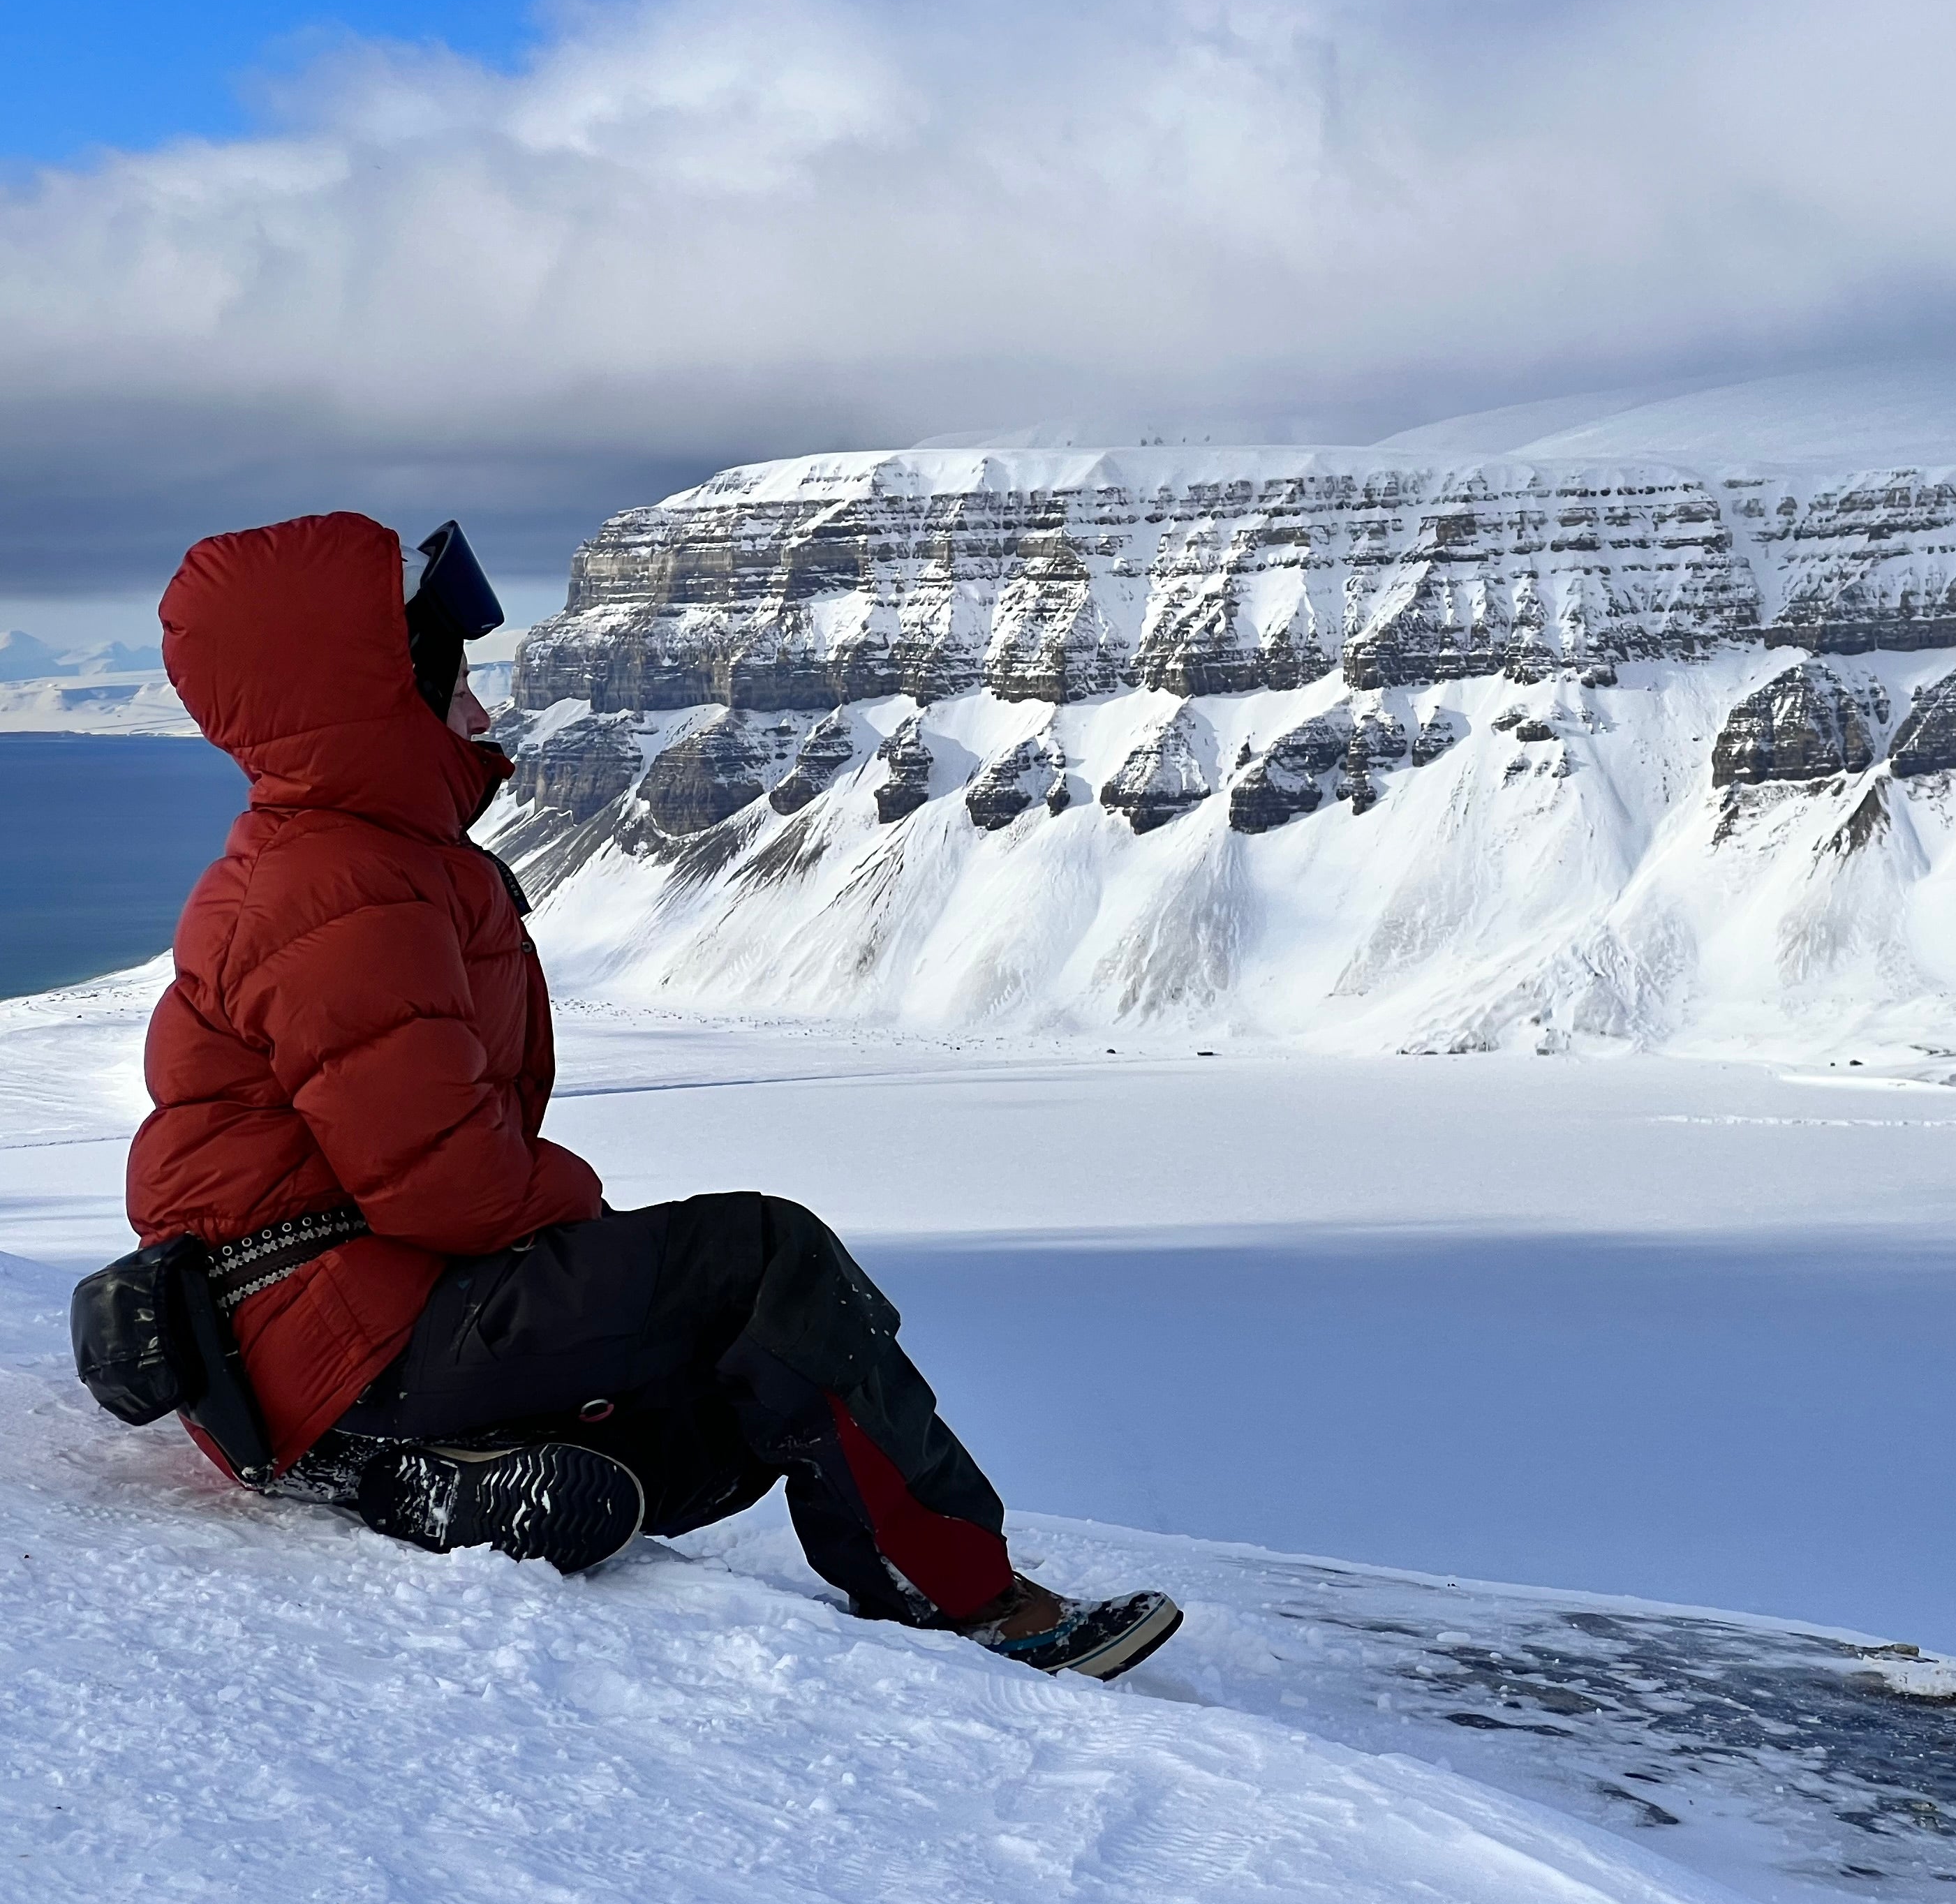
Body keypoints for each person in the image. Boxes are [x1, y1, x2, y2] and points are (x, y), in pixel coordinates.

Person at [123, 511, 1180, 1680]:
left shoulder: (347, 861)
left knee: (723, 1400)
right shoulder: (340, 890)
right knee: (767, 1263)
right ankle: (971, 1603)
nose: (480, 714)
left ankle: (419, 1477)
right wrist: (586, 1211)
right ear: (373, 691)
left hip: (325, 1348)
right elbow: (451, 1190)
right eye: (456, 682)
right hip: (338, 1340)